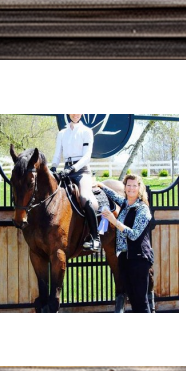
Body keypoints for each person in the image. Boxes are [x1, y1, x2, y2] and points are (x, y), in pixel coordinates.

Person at [97, 174, 154, 313]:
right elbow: (114, 196)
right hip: (125, 258)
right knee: (133, 300)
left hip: (139, 259)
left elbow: (134, 234)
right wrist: (101, 185)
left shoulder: (142, 209)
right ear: (125, 187)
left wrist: (114, 221)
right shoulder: (125, 203)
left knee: (140, 301)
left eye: (134, 185)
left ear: (139, 188)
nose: (131, 188)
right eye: (128, 185)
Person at [51, 114, 101, 252]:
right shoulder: (62, 133)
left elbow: (86, 157)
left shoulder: (86, 131)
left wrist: (73, 168)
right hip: (66, 170)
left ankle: (95, 238)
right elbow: (57, 154)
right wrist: (54, 167)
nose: (75, 113)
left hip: (82, 172)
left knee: (84, 198)